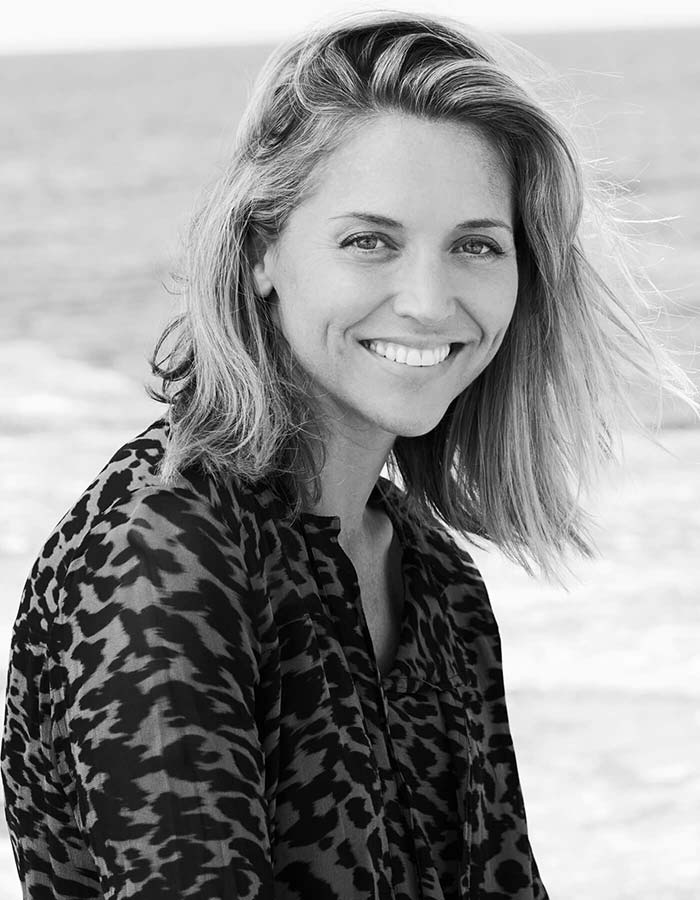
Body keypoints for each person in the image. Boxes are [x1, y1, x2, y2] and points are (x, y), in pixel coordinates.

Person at [1, 10, 695, 900]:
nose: (429, 300)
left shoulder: (436, 576)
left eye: (476, 245)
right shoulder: (162, 554)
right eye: (371, 241)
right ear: (262, 252)